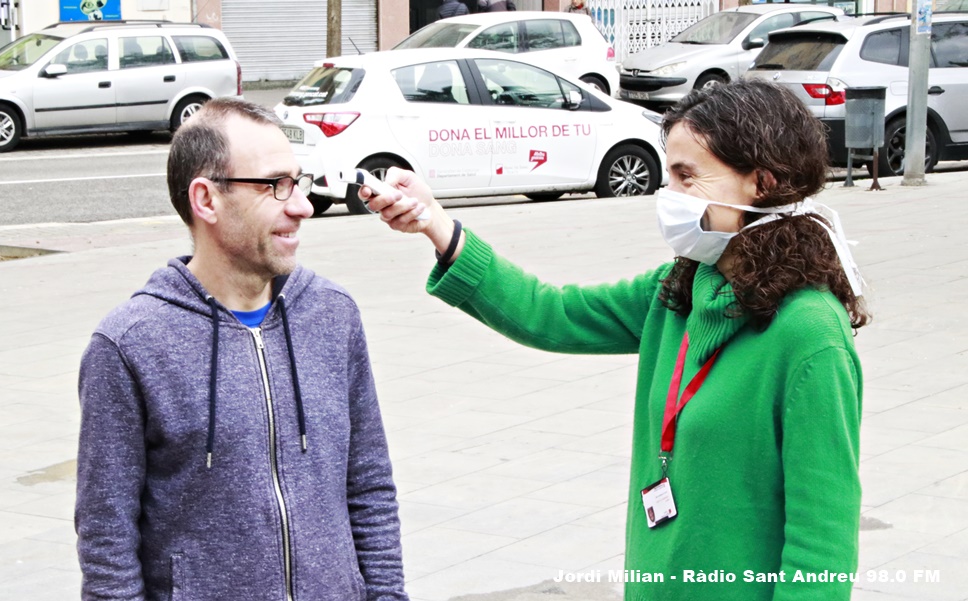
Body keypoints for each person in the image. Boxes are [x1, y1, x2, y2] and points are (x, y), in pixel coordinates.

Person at [361, 79, 867, 601]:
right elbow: (550, 314)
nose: (668, 194)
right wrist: (436, 225)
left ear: (760, 182)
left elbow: (822, 548)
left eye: (686, 176)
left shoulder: (810, 335)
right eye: (668, 173)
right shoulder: (683, 288)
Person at [75, 98, 408, 601]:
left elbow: (370, 488)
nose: (300, 205)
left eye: (298, 182)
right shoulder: (129, 345)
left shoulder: (333, 315)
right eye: (275, 186)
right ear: (206, 200)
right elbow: (106, 538)